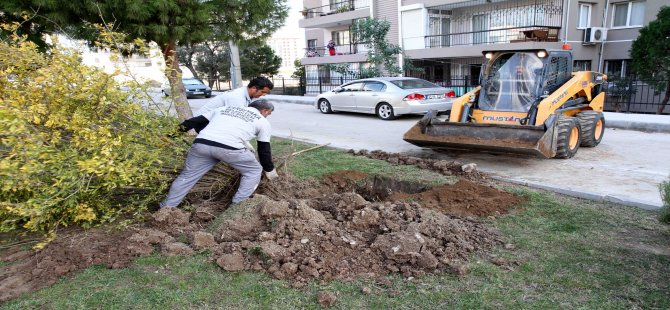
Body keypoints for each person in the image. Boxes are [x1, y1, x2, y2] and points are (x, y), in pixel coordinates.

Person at [161, 99, 279, 208]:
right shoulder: (262, 121)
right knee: (253, 170)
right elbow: (263, 150)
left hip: (201, 144)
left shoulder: (225, 109)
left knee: (187, 177)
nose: (267, 116)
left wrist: (169, 136)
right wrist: (269, 170)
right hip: (229, 149)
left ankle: (166, 207)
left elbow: (192, 122)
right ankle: (236, 207)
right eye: (268, 114)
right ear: (264, 110)